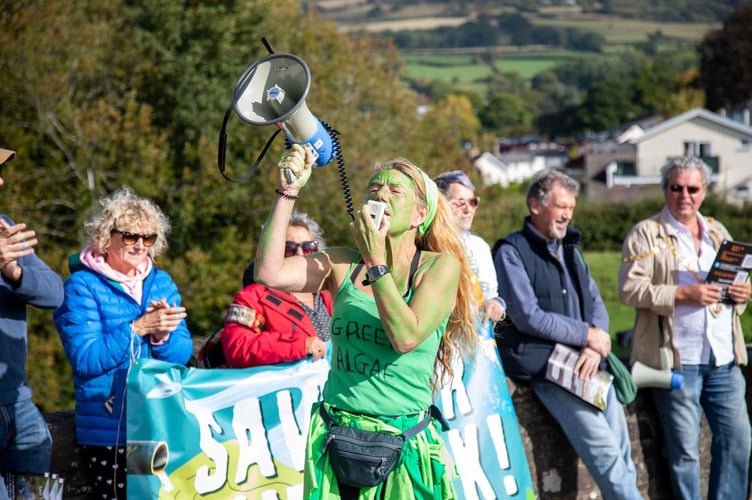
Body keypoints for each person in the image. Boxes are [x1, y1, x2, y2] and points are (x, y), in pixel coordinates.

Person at [253, 144, 479, 499]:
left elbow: (405, 336)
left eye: (394, 190)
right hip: (337, 435)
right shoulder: (342, 263)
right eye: (374, 188)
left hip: (402, 443)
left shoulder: (439, 267)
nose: (381, 194)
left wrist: (376, 260)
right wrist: (288, 192)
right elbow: (268, 273)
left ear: (420, 214)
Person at [493, 169, 642, 499]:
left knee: (623, 455)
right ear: (535, 205)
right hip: (550, 369)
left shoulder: (570, 247)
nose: (567, 215)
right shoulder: (511, 251)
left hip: (589, 363)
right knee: (605, 456)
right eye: (561, 207)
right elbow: (527, 316)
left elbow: (596, 303)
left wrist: (595, 345)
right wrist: (587, 336)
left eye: (571, 208)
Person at [618, 156, 751, 500]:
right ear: (666, 190)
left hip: (723, 358)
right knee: (685, 452)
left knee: (737, 440)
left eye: (692, 188)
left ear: (704, 192)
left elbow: (735, 290)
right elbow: (629, 289)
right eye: (676, 188)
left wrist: (741, 293)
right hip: (677, 362)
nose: (684, 196)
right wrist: (682, 294)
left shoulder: (718, 231)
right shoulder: (646, 233)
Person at [54, 187, 193, 499]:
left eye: (149, 238)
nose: (140, 246)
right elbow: (86, 358)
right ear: (106, 237)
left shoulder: (161, 281)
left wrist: (162, 335)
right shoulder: (81, 286)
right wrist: (138, 327)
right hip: (109, 431)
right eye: (130, 237)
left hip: (160, 420)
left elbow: (182, 355)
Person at [0, 148, 64, 498]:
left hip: (19, 403)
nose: (1, 180)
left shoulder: (5, 228)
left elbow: (55, 293)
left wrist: (13, 271)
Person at [220, 211, 333, 367]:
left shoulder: (332, 293)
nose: (300, 253)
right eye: (289, 248)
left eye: (308, 247)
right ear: (271, 251)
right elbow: (238, 347)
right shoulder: (253, 297)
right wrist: (300, 345)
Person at [434, 170, 505, 326]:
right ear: (441, 205)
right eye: (460, 202)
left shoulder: (481, 246)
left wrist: (496, 304)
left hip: (479, 344)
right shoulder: (431, 246)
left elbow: (491, 294)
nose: (468, 209)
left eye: (473, 202)